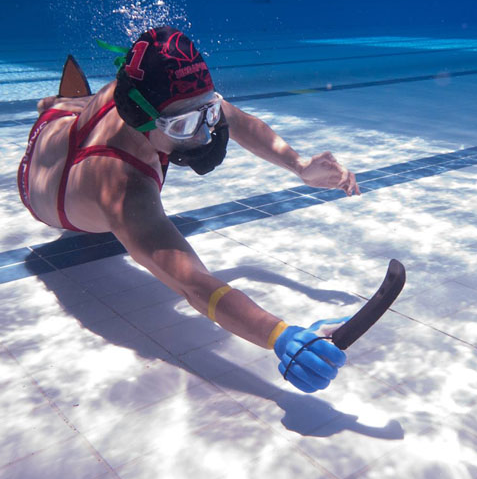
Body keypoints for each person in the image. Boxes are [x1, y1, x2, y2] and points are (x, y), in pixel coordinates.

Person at [18, 26, 361, 393]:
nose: (203, 136)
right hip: (42, 188)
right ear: (141, 117)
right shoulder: (123, 188)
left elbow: (239, 121)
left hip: (79, 127)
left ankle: (63, 106)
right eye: (184, 126)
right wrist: (280, 335)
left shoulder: (167, 99)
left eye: (208, 113)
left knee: (79, 109)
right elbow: (194, 285)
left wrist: (301, 166)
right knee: (59, 114)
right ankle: (52, 108)